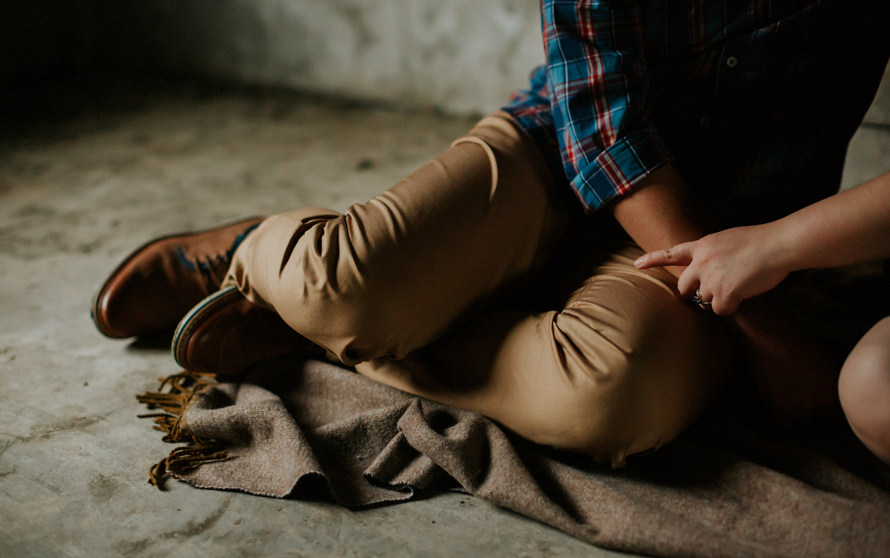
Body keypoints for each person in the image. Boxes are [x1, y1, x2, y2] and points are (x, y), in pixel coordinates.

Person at [92, 1, 890, 468]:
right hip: (561, 147)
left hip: (730, 216)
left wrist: (761, 256)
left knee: (613, 399)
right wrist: (757, 316)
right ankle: (258, 257)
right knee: (344, 284)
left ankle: (310, 337)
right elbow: (601, 121)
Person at [635, 171, 890, 463]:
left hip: (757, 251)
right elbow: (602, 148)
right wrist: (760, 322)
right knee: (607, 392)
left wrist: (772, 248)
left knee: (870, 384)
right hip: (630, 230)